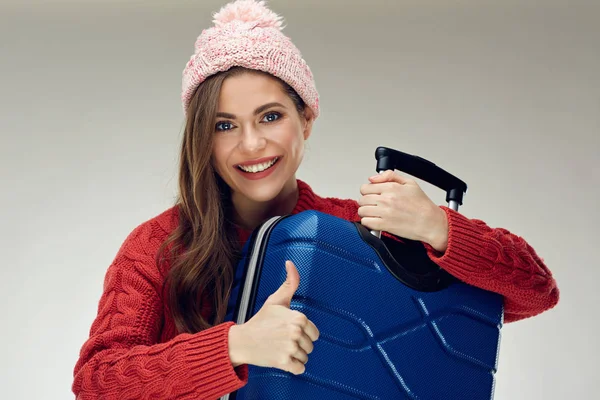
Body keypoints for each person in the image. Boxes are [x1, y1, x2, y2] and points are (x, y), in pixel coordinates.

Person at [72, 0, 559, 399]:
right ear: (202, 140)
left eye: (270, 117)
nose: (252, 145)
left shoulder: (355, 229)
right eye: (224, 126)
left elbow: (535, 290)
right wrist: (236, 346)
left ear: (305, 120)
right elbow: (96, 382)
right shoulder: (161, 244)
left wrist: (439, 228)